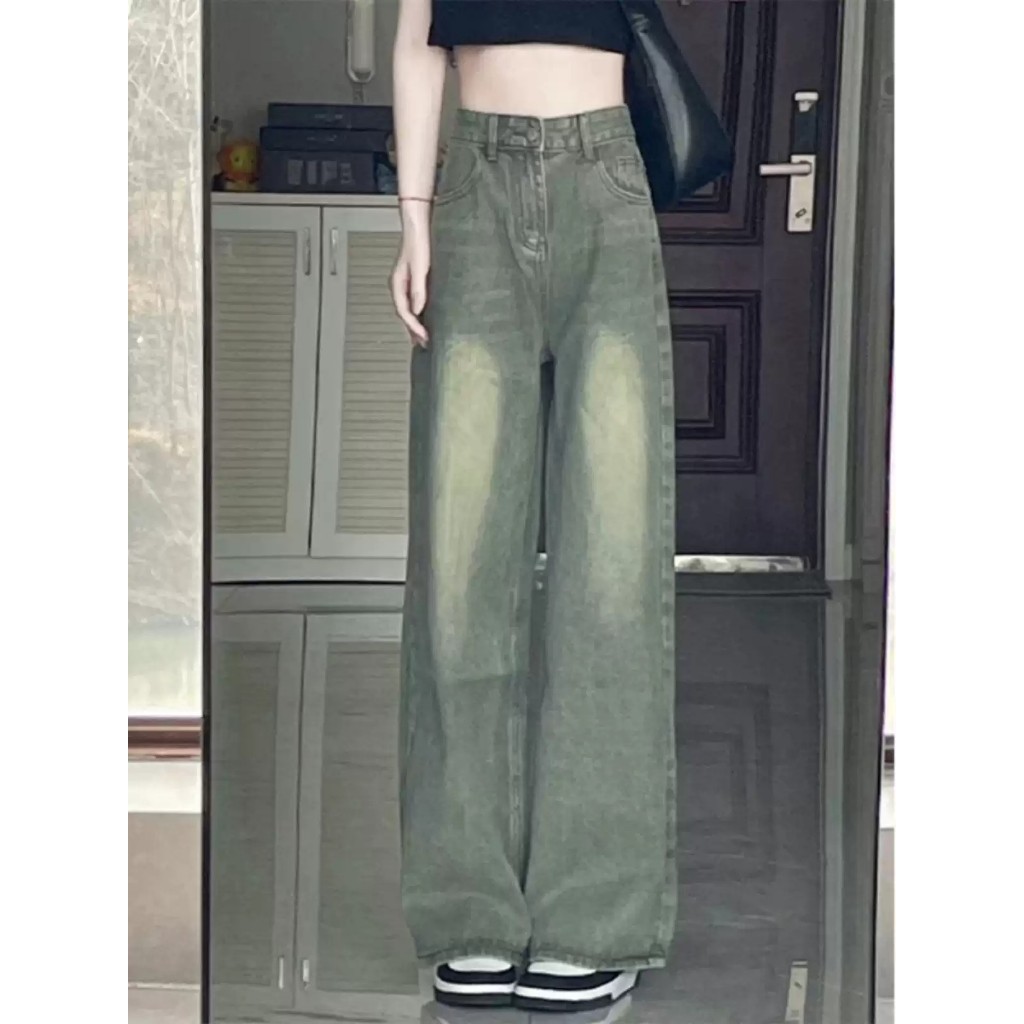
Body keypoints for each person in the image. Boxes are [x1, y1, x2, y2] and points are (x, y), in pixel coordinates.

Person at [389, 0, 678, 1013]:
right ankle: (471, 911)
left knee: (611, 569)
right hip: (471, 188)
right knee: (461, 573)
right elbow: (416, 41)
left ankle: (593, 917)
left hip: (606, 177)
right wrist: (414, 213)